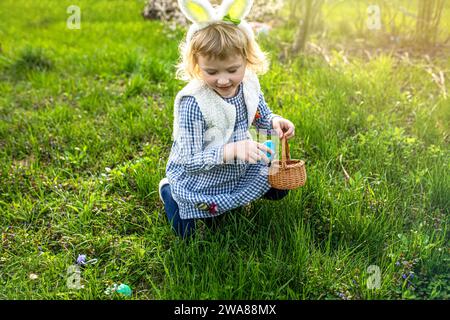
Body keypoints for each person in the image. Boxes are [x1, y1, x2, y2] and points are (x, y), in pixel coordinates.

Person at [159, 0, 295, 238]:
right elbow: (189, 159)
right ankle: (171, 193)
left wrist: (274, 121)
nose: (223, 80)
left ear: (247, 59)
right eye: (211, 72)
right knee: (186, 235)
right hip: (200, 176)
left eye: (232, 70)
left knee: (276, 185)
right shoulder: (194, 102)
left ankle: (227, 201)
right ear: (196, 64)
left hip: (237, 165)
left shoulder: (249, 84)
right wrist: (229, 150)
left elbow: (261, 116)